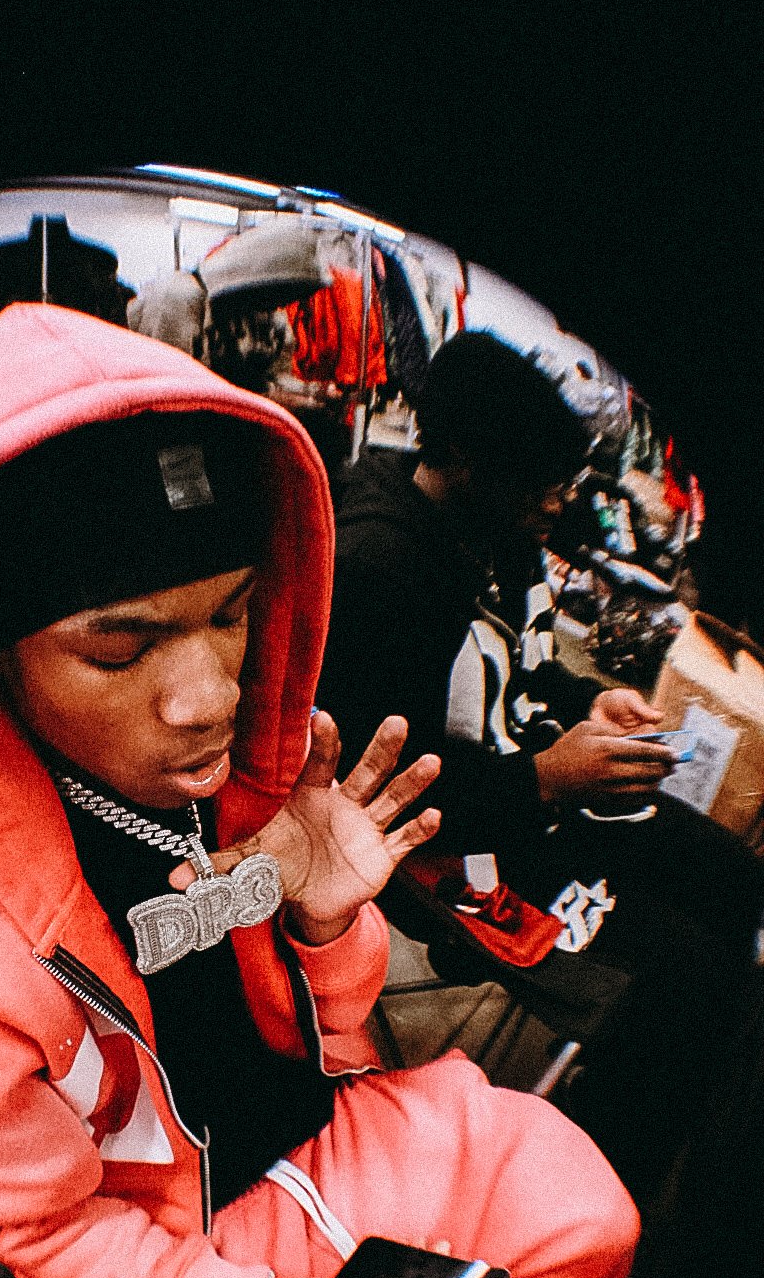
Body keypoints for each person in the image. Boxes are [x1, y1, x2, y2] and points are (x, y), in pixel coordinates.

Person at [0, 303, 638, 1278]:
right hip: (159, 1243)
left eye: (231, 612)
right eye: (120, 651)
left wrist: (323, 926)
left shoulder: (257, 784)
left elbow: (334, 1049)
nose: (205, 697)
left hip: (326, 1136)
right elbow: (39, 1233)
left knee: (593, 1230)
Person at [318, 330, 764, 1203]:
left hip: (529, 793)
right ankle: (594, 1192)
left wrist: (582, 706)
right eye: (542, 482)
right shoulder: (385, 571)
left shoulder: (504, 529)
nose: (560, 501)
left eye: (564, 480)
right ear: (464, 462)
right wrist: (550, 778)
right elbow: (382, 790)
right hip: (447, 852)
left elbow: (525, 661)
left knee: (728, 873)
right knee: (672, 985)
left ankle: (701, 1131)